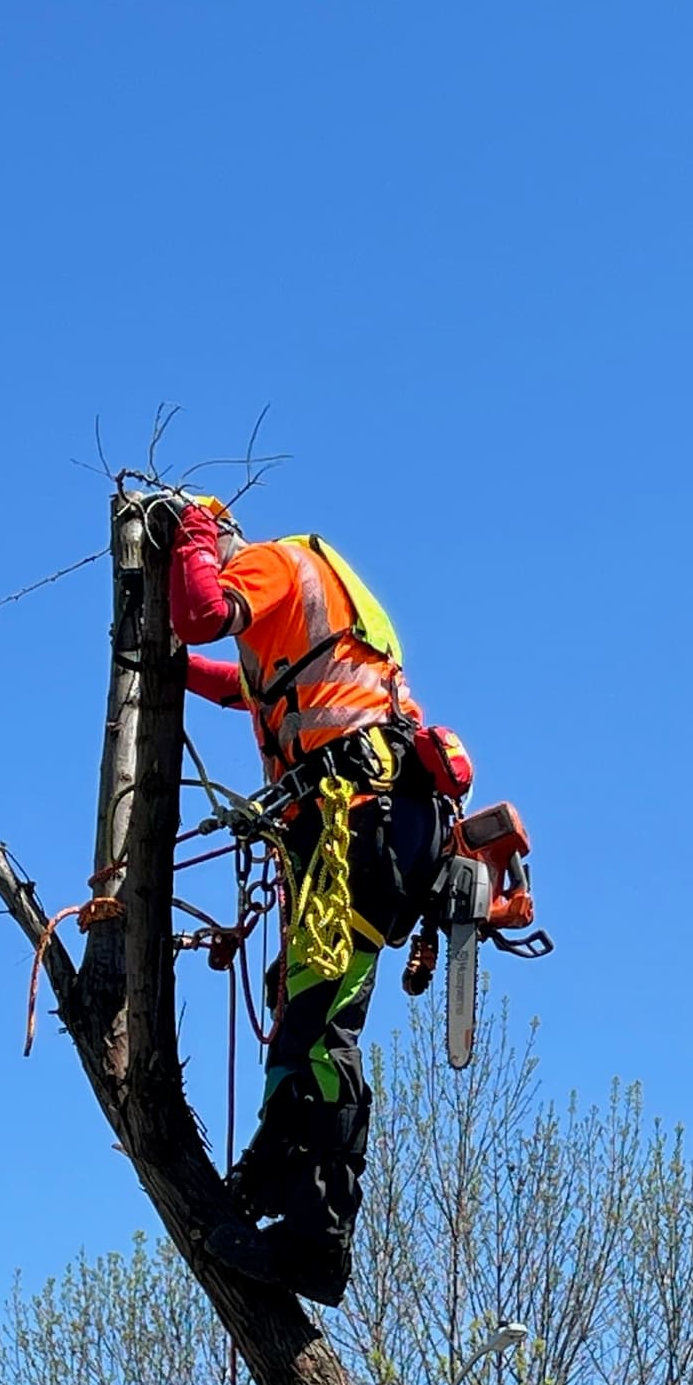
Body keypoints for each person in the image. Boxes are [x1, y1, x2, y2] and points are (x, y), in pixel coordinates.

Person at [163, 497, 445, 1302]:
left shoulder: (272, 564)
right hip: (371, 820)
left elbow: (202, 613)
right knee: (303, 1012)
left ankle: (317, 1242)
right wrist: (162, 667)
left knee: (319, 1028)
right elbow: (231, 680)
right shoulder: (303, 635)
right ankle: (266, 1182)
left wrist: (192, 536)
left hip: (363, 816)